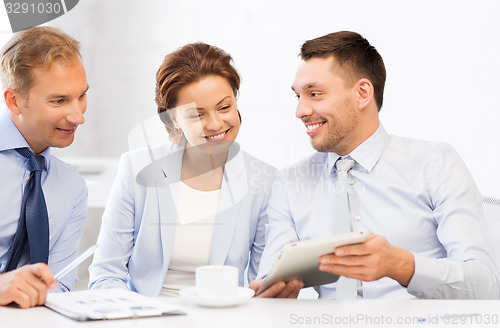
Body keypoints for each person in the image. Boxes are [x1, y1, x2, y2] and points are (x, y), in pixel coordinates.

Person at [252, 31, 499, 299]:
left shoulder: (435, 164)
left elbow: (485, 283)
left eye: (314, 93)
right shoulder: (289, 183)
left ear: (362, 93)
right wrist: (272, 294)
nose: (300, 111)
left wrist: (402, 265)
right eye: (298, 96)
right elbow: (270, 278)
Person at [88, 43, 275, 297]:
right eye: (197, 115)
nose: (216, 123)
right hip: (144, 317)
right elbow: (106, 274)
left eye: (224, 107)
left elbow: (262, 285)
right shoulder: (136, 169)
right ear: (172, 119)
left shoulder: (264, 180)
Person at [0, 26, 89, 308]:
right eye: (59, 100)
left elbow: (59, 286)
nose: (78, 116)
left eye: (82, 96)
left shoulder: (72, 187)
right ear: (15, 101)